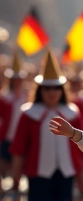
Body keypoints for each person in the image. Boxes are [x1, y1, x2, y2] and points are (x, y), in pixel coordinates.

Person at [9, 50, 83, 201]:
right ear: (39, 90)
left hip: (66, 176)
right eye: (47, 88)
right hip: (38, 176)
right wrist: (15, 181)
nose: (52, 92)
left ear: (62, 90)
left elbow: (79, 151)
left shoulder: (72, 113)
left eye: (56, 88)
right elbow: (19, 149)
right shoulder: (28, 114)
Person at [0, 50, 27, 190]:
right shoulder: (4, 97)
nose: (17, 82)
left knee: (18, 165)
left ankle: (15, 188)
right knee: (3, 163)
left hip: (20, 137)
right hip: (6, 135)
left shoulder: (26, 96)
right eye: (15, 79)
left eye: (19, 79)